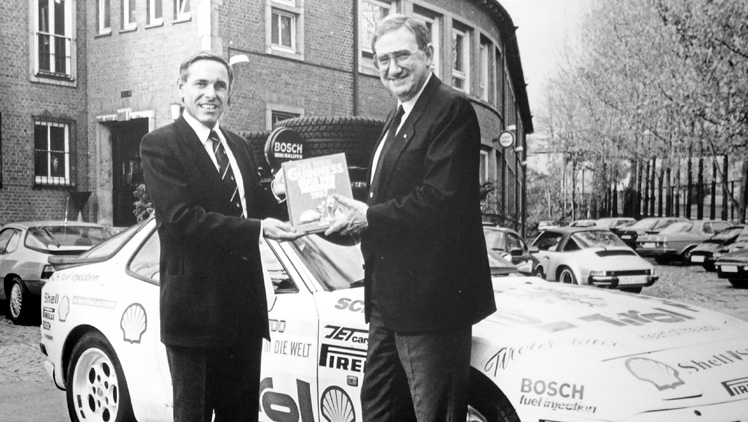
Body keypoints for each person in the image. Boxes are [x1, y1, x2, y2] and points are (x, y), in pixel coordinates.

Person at [325, 14, 496, 422]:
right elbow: (383, 197)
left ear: (429, 55)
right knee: (380, 409)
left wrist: (367, 217)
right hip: (388, 300)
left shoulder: (451, 109)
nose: (392, 68)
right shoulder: (397, 115)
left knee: (432, 414)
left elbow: (442, 199)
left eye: (402, 55)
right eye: (382, 59)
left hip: (432, 303)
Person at [140, 50, 302, 422]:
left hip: (244, 312)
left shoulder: (239, 145)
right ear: (182, 89)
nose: (210, 93)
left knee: (241, 416)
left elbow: (253, 207)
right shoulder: (160, 144)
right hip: (195, 316)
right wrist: (258, 228)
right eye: (200, 84)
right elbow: (183, 220)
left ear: (229, 94)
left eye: (220, 85)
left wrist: (279, 190)